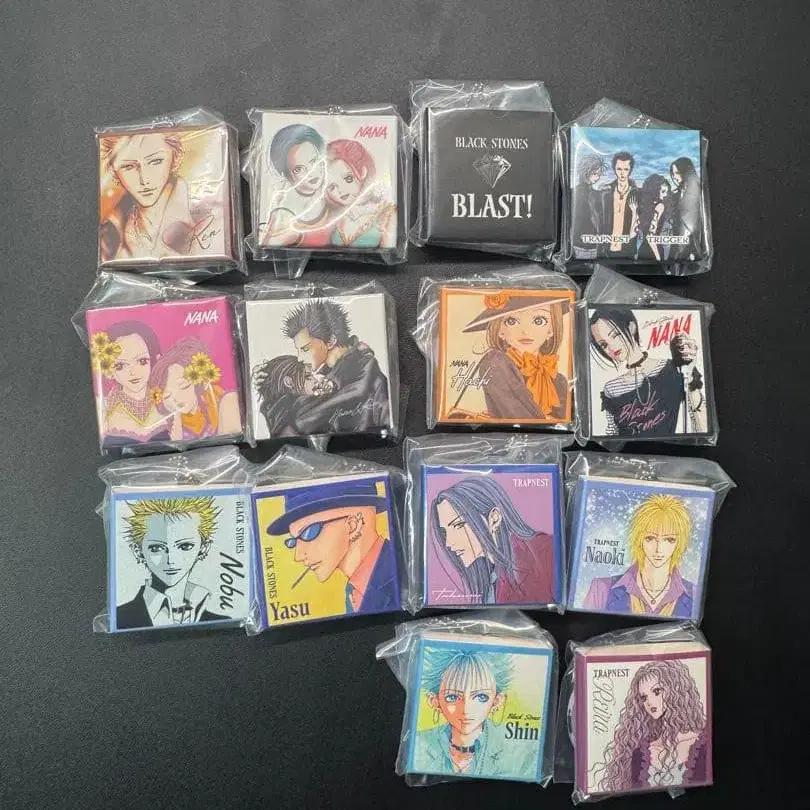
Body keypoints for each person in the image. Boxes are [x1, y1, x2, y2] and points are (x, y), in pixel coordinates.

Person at [266, 479, 398, 614]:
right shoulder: (353, 591)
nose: (298, 556)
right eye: (293, 542)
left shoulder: (399, 577)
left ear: (353, 525)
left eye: (308, 533)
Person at [429, 476, 556, 604]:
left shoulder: (547, 551)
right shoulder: (492, 578)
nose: (449, 543)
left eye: (459, 525)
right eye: (445, 532)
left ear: (494, 518)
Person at [412, 648, 536, 778]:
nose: (466, 709)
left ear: (497, 701)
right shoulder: (418, 744)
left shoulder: (523, 751)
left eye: (481, 697)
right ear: (435, 700)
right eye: (452, 697)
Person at [99, 132, 220, 262]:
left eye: (156, 161)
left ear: (176, 158)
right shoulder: (108, 234)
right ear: (113, 171)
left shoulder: (211, 215)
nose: (144, 180)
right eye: (128, 166)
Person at [588, 307, 707, 437]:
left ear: (631, 327)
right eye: (604, 345)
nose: (611, 346)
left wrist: (689, 375)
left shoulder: (673, 368)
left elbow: (703, 426)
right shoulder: (611, 388)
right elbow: (613, 434)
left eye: (615, 335)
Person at [595, 660, 709, 792]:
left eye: (657, 691)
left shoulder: (703, 743)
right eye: (644, 697)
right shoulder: (640, 753)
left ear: (676, 690)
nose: (649, 702)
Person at [117, 496, 228, 629]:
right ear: (138, 551)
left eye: (185, 546)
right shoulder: (119, 619)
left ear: (203, 548)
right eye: (156, 548)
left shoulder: (223, 622)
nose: (171, 560)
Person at [281, 299, 391, 433]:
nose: (299, 358)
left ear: (331, 341)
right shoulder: (321, 380)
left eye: (305, 349)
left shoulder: (372, 380)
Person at [455, 293, 569, 421]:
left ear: (551, 329)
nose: (525, 331)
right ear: (499, 330)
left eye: (539, 321)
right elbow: (522, 418)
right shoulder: (495, 363)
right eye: (511, 321)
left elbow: (566, 422)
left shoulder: (559, 380)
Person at [583, 494, 696, 618]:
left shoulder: (694, 594)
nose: (659, 549)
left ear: (680, 542)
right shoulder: (601, 589)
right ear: (639, 539)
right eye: (650, 538)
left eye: (669, 539)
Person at [148, 337, 241, 441]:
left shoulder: (228, 401)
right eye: (167, 395)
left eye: (183, 386)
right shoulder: (170, 426)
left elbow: (231, 444)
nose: (175, 398)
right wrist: (177, 441)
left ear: (202, 381)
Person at [90, 320, 165, 445]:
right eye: (120, 366)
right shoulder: (105, 407)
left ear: (155, 361)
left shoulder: (167, 399)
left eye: (142, 361)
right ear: (108, 370)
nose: (133, 372)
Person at [261, 124, 332, 248]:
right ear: (286, 174)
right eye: (299, 169)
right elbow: (268, 245)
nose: (311, 172)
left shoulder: (331, 188)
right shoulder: (284, 214)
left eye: (314, 161)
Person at [323, 139, 396, 249]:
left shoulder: (386, 211)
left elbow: (389, 250)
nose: (341, 190)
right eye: (332, 187)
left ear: (362, 172)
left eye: (348, 179)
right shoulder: (333, 215)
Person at [252, 355, 324, 437]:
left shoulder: (273, 412)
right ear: (289, 382)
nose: (315, 380)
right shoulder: (299, 406)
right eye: (308, 377)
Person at [597, 151, 639, 258]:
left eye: (626, 169)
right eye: (619, 169)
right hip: (605, 250)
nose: (622, 173)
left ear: (630, 170)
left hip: (628, 251)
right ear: (614, 169)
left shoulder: (637, 194)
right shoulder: (605, 193)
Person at [571, 154, 606, 259]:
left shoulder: (586, 192)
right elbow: (578, 220)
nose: (598, 177)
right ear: (585, 172)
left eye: (599, 174)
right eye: (595, 174)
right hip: (582, 246)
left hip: (587, 244)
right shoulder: (581, 193)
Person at [669, 157, 702, 261]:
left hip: (691, 242)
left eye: (677, 173)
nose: (674, 177)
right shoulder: (678, 193)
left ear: (686, 171)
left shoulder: (697, 189)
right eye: (673, 173)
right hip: (677, 241)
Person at [636, 174, 672, 261]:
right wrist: (658, 258)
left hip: (642, 249)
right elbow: (650, 237)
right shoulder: (660, 206)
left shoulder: (643, 206)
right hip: (654, 249)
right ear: (654, 190)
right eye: (663, 191)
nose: (665, 195)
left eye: (666, 192)